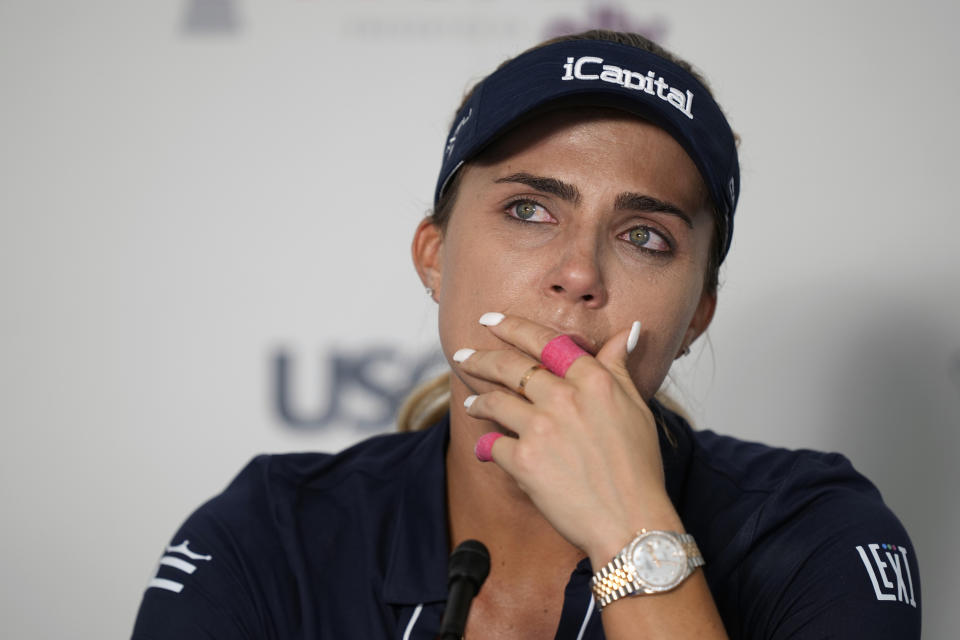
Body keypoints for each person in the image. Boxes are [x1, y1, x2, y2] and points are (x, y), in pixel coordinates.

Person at [131, 30, 921, 639]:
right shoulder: (270, 536)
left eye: (645, 235)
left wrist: (632, 530)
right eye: (529, 210)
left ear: (696, 318)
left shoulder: (817, 536)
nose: (578, 273)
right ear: (433, 257)